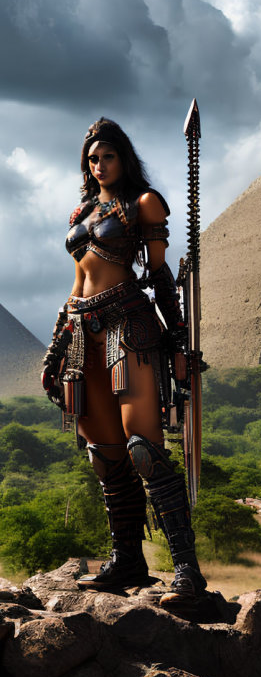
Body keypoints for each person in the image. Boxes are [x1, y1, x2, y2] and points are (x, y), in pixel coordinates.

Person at [40, 118, 206, 608]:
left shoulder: (143, 203)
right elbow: (76, 283)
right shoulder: (83, 211)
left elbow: (157, 276)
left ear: (123, 158)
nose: (99, 164)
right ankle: (127, 560)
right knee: (105, 454)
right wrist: (55, 347)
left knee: (143, 450)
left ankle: (187, 572)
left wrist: (177, 343)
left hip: (128, 327)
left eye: (107, 156)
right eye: (92, 158)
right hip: (82, 332)